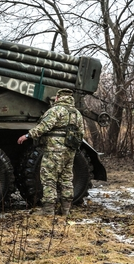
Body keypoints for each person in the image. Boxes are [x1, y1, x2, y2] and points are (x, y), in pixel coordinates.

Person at [17, 88, 84, 216]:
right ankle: (65, 210)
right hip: (70, 151)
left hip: (54, 151)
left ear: (58, 98)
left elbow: (44, 127)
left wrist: (28, 135)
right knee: (67, 179)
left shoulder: (55, 111)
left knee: (49, 178)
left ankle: (48, 211)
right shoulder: (77, 114)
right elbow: (81, 133)